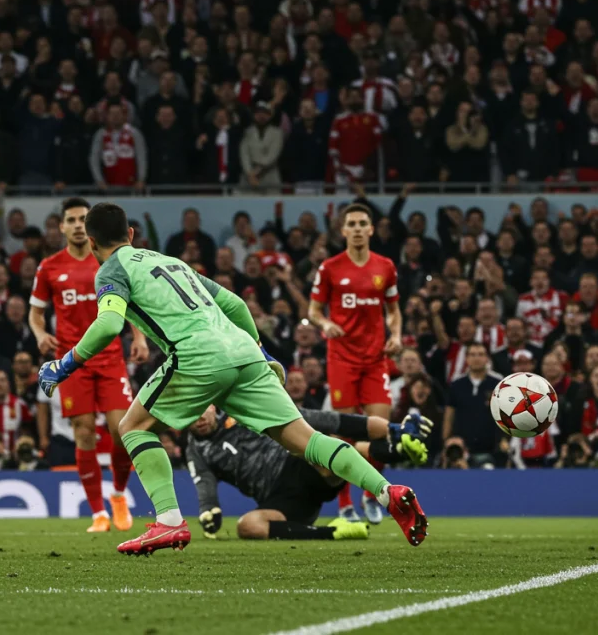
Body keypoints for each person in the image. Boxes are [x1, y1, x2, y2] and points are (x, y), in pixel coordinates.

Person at [37, 203, 427, 555]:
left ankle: (169, 521)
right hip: (242, 349)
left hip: (197, 355)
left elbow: (108, 324)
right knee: (307, 440)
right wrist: (262, 353)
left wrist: (64, 365)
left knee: (132, 428)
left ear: (91, 242)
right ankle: (386, 491)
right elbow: (235, 304)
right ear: (131, 234)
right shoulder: (171, 262)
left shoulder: (110, 270)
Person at [29, 197, 149, 533]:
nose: (77, 225)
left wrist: (139, 338)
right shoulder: (49, 267)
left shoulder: (110, 262)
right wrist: (40, 334)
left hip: (110, 358)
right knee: (83, 433)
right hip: (73, 362)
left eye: (83, 219)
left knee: (122, 431)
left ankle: (119, 495)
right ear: (62, 226)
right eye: (71, 220)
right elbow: (35, 313)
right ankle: (98, 513)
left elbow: (132, 303)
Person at [189, 405, 430, 541]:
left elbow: (326, 419)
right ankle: (335, 532)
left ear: (212, 405)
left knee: (321, 444)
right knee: (247, 526)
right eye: (190, 414)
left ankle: (396, 446)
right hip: (279, 501)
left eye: (201, 409)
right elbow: (204, 484)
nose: (199, 418)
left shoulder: (241, 408)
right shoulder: (196, 450)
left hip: (298, 466)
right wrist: (209, 511)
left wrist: (390, 428)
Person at [306, 203, 403, 524]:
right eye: (352, 224)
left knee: (381, 432)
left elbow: (393, 310)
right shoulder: (330, 268)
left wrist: (396, 335)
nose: (358, 228)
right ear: (344, 230)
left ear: (371, 229)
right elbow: (313, 311)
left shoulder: (385, 267)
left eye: (363, 223)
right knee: (345, 434)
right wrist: (325, 324)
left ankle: (372, 495)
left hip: (375, 360)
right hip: (342, 359)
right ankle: (345, 502)